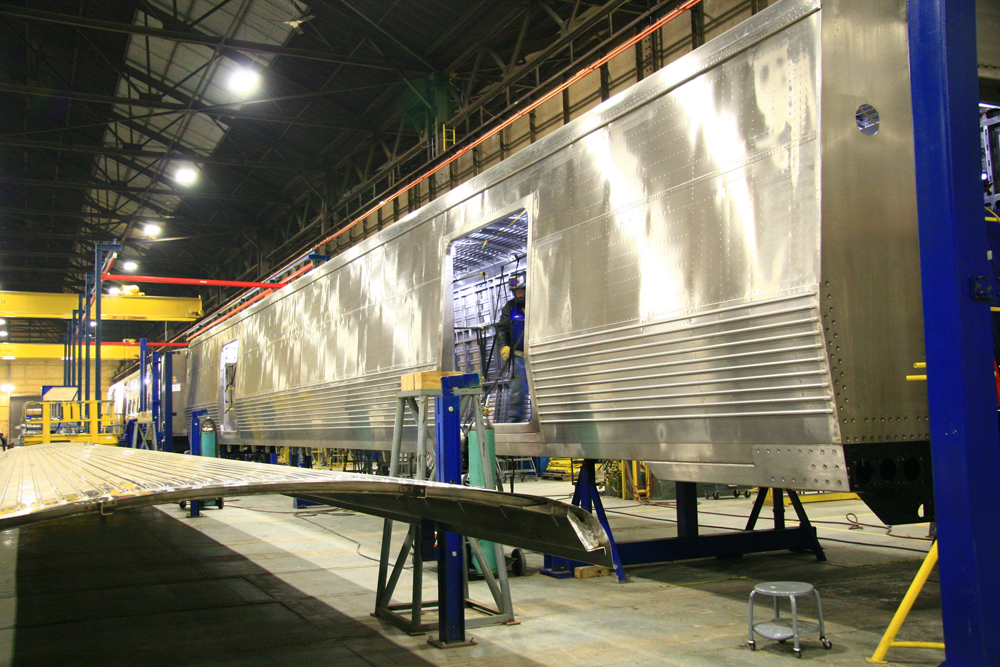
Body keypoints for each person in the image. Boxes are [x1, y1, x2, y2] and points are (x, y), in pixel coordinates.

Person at [496, 275, 529, 422]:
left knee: (540, 392)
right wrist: (504, 346)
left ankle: (541, 421)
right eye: (517, 292)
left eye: (522, 291)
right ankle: (516, 421)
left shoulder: (537, 303)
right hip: (519, 356)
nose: (520, 294)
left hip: (538, 354)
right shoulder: (510, 307)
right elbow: (502, 328)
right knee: (518, 390)